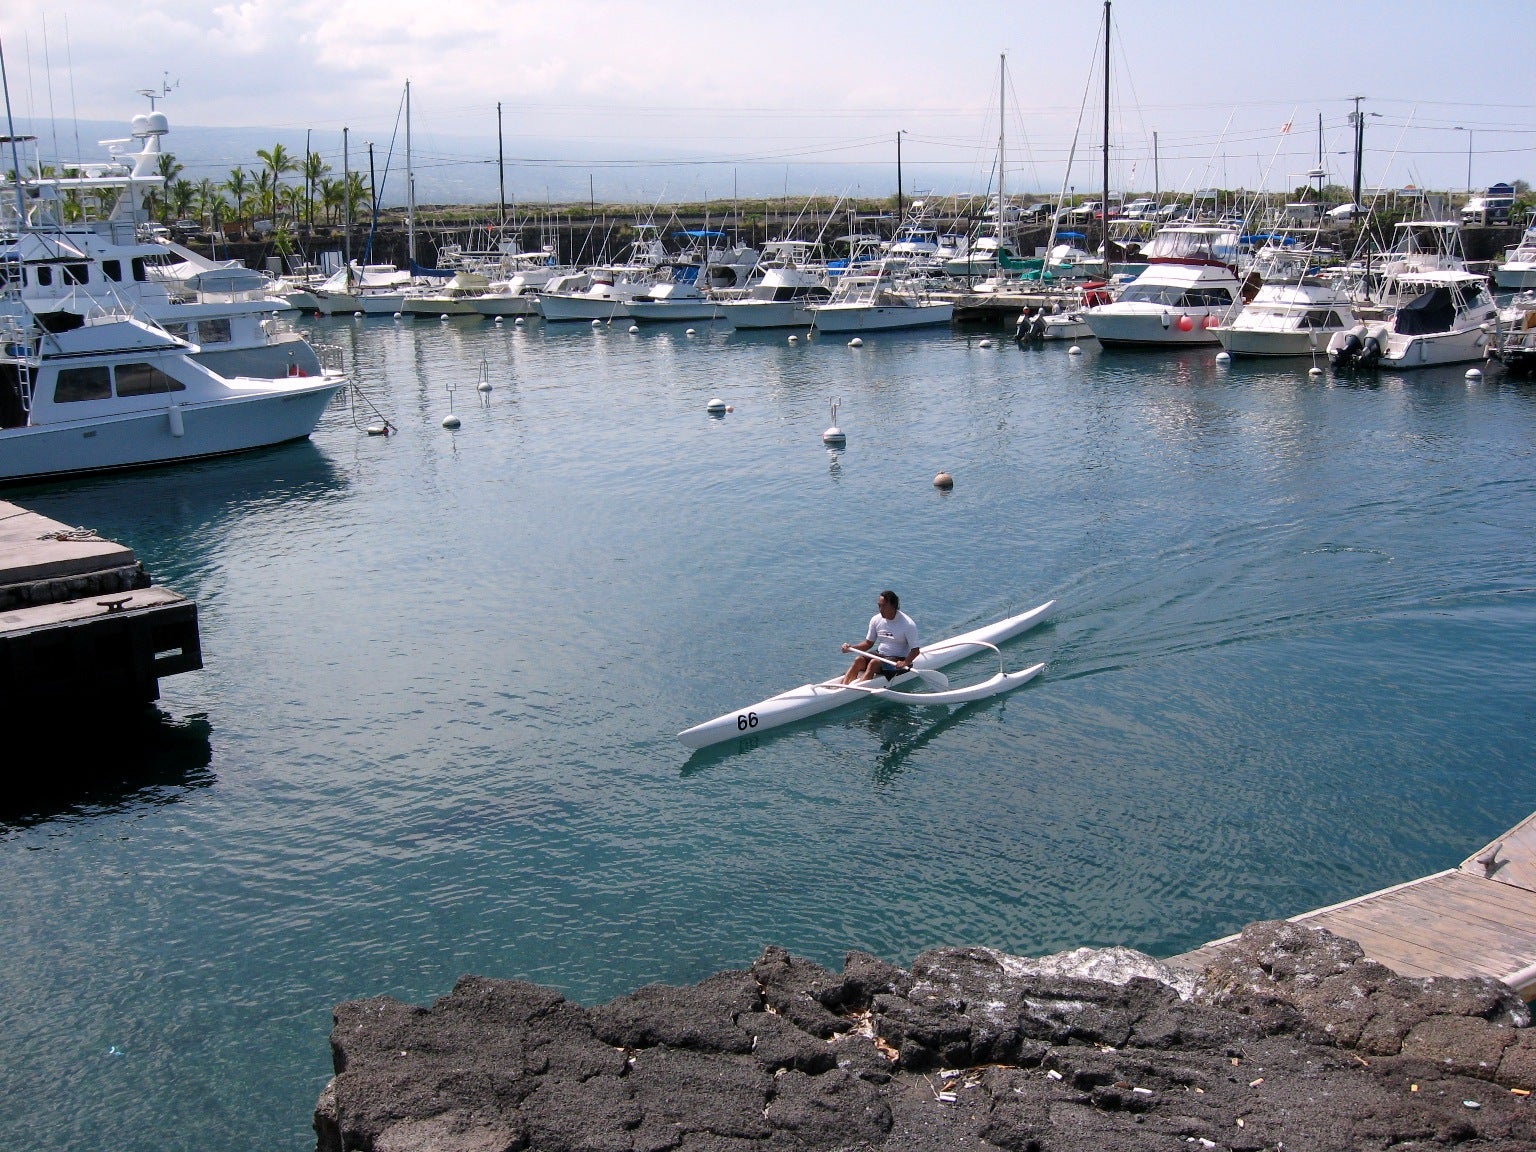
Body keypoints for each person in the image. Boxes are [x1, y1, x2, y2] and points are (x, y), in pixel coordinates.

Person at [841, 590, 920, 684]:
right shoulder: (876, 620)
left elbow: (915, 651)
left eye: (884, 606)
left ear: (893, 606)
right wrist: (851, 648)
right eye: (879, 606)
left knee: (873, 663)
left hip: (897, 660)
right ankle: (842, 687)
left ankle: (857, 689)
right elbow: (868, 643)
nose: (880, 609)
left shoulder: (908, 624)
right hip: (880, 655)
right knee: (858, 660)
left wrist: (905, 662)